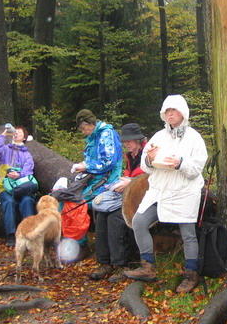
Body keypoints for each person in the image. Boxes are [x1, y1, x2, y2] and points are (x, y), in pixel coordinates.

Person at [124, 95, 208, 293]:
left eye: (174, 110)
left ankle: (191, 273)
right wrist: (150, 159)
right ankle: (148, 267)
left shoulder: (194, 138)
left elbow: (196, 169)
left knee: (188, 234)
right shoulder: (159, 136)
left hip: (184, 191)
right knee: (138, 221)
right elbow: (146, 166)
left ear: (183, 113)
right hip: (159, 190)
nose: (170, 114)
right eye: (167, 111)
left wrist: (180, 163)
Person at [56, 109, 122, 262]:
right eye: (81, 129)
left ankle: (80, 246)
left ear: (91, 124)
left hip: (108, 181)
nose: (83, 132)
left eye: (84, 128)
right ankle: (68, 243)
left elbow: (109, 162)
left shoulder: (107, 134)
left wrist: (86, 166)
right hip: (92, 179)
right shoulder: (93, 137)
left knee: (76, 204)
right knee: (63, 198)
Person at [89, 123, 145, 282]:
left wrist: (131, 183)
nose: (126, 144)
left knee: (115, 217)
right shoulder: (130, 156)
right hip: (129, 196)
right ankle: (104, 262)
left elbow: (150, 179)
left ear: (138, 140)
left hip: (143, 199)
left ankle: (122, 265)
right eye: (125, 141)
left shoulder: (148, 154)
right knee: (101, 215)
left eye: (129, 141)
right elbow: (128, 176)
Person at [0, 125, 37, 247]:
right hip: (4, 187)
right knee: (8, 202)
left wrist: (19, 174)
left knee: (27, 201)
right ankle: (10, 235)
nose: (16, 133)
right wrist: (3, 135)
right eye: (14, 131)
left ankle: (29, 234)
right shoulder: (5, 150)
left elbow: (29, 170)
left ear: (24, 137)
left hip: (21, 187)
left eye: (19, 132)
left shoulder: (27, 155)